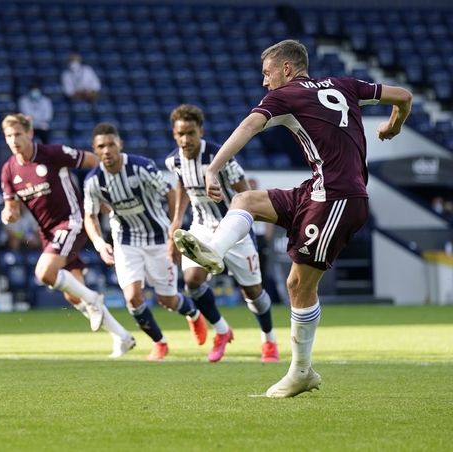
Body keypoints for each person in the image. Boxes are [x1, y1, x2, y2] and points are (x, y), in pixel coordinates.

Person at [172, 39, 412, 397]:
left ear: (286, 68)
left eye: (267, 73)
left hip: (337, 198)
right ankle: (215, 251)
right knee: (246, 199)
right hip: (317, 190)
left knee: (298, 285)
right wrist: (394, 125)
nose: (264, 82)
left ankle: (301, 371)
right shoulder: (345, 84)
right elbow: (404, 96)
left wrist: (212, 168)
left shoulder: (286, 95)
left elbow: (248, 127)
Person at [0, 113, 135, 357]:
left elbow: (93, 160)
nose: (14, 140)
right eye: (9, 136)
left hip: (72, 221)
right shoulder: (9, 170)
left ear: (30, 133)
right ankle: (121, 336)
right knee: (73, 295)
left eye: (18, 134)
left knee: (44, 273)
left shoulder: (52, 153)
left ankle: (93, 298)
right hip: (48, 233)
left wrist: (102, 195)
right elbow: (13, 210)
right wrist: (8, 214)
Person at [165, 104, 279, 363]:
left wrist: (235, 222)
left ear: (201, 131)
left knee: (253, 293)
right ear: (174, 134)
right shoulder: (173, 161)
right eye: (181, 134)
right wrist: (177, 219)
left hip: (234, 230)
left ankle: (269, 340)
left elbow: (245, 194)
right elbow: (183, 185)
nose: (186, 139)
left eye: (191, 133)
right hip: (202, 227)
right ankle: (222, 331)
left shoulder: (220, 156)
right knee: (192, 281)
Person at [83, 123, 204, 361]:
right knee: (132, 297)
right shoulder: (93, 181)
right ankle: (159, 342)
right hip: (126, 240)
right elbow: (90, 216)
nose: (106, 150)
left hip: (158, 238)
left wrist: (174, 231)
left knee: (167, 300)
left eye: (111, 145)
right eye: (101, 146)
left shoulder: (142, 167)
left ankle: (193, 314)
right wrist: (98, 242)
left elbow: (171, 193)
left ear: (120, 145)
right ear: (95, 150)